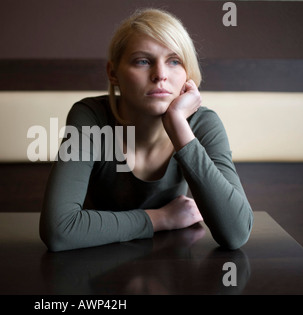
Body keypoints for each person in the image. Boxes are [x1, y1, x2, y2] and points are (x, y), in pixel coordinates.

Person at [40, 8, 253, 252]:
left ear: (188, 74)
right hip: (97, 264)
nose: (160, 75)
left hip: (174, 265)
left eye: (174, 61)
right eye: (143, 61)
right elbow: (59, 229)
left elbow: (236, 233)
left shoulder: (202, 124)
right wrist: (161, 218)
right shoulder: (91, 117)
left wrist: (178, 126)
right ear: (113, 73)